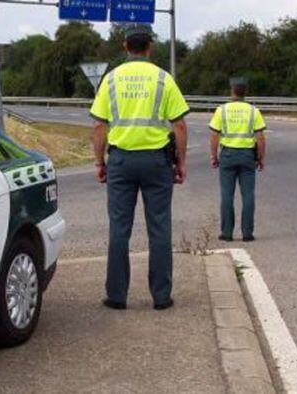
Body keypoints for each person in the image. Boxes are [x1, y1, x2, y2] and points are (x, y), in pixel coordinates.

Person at [89, 24, 190, 311]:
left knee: (119, 229)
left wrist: (99, 162)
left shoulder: (110, 80)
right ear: (150, 46)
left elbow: (98, 125)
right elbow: (179, 124)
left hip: (120, 162)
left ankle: (117, 296)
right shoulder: (163, 79)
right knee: (159, 228)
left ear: (125, 46)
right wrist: (180, 162)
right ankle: (161, 296)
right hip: (157, 163)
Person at [209, 77, 266, 242]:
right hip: (248, 156)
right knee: (248, 195)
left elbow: (214, 135)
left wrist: (214, 155)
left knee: (227, 195)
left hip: (227, 155)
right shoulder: (253, 111)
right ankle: (247, 233)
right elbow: (261, 138)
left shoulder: (222, 110)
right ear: (245, 92)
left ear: (231, 90)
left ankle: (227, 232)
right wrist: (261, 158)